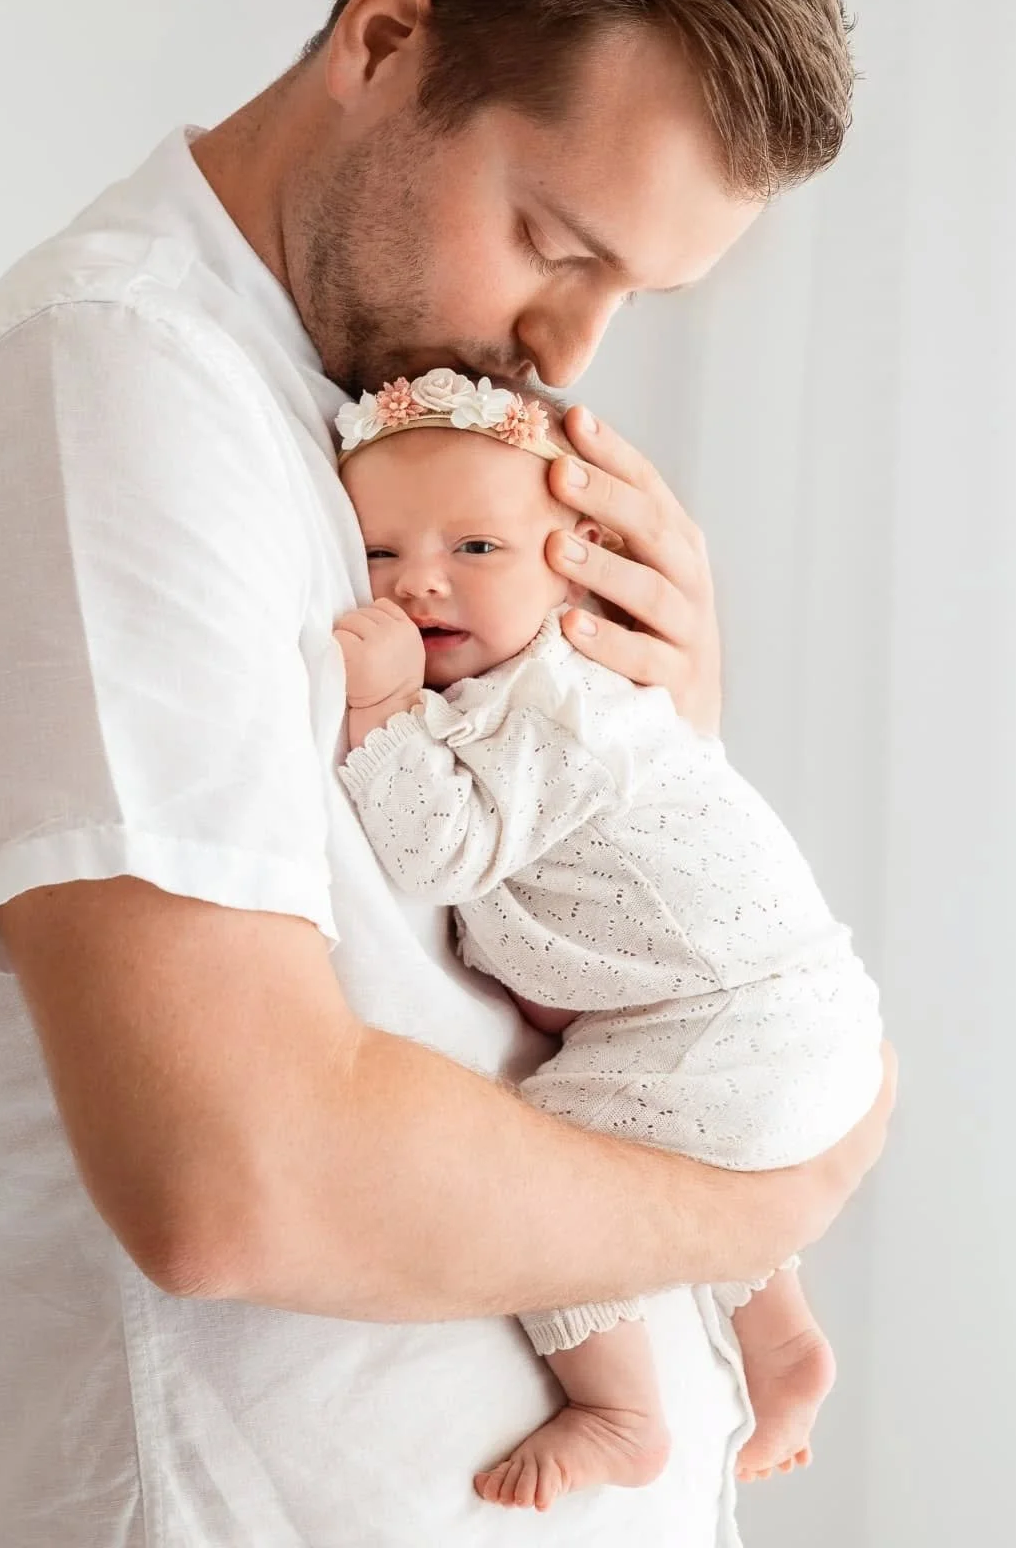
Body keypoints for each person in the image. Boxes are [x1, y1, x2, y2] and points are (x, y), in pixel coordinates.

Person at [0, 0, 895, 1547]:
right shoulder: (112, 395)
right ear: (386, 38)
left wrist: (650, 755)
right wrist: (776, 1179)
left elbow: (466, 983)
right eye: (557, 245)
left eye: (638, 295)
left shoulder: (388, 441)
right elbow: (232, 1173)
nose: (571, 348)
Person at [330, 370, 883, 1513]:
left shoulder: (566, 705)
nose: (420, 578)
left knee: (551, 1163)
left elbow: (441, 854)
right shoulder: (526, 695)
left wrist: (377, 713)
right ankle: (781, 1349)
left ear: (569, 557)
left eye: (475, 547)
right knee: (673, 1148)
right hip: (777, 1021)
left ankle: (621, 1409)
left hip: (750, 1021)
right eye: (381, 553)